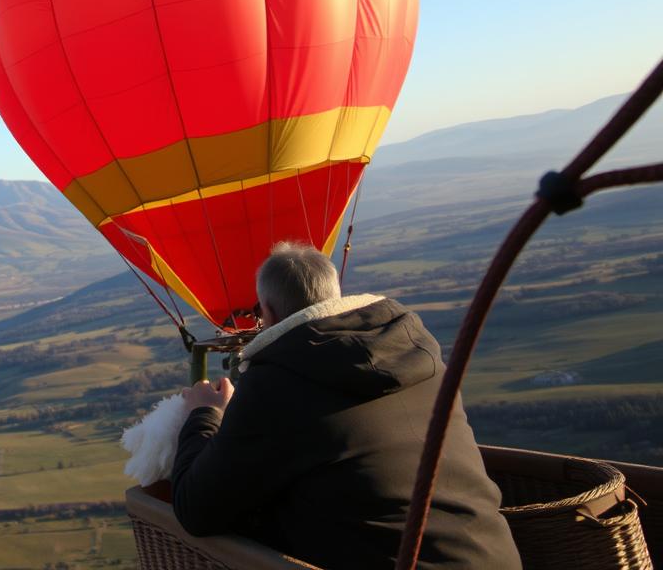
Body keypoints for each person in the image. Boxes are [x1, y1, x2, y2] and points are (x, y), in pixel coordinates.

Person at [170, 242, 521, 569]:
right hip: (494, 556)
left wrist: (204, 414)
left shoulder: (275, 385)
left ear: (269, 311)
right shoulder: (419, 350)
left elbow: (195, 510)